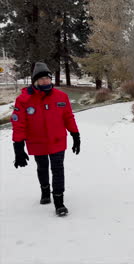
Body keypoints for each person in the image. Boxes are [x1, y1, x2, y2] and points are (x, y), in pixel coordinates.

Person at [11, 62, 80, 217]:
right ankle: (45, 191)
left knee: (58, 169)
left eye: (47, 78)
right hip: (37, 142)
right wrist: (18, 146)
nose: (45, 81)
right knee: (42, 167)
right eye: (41, 79)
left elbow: (68, 117)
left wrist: (76, 135)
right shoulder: (24, 99)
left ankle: (59, 201)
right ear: (35, 81)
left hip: (57, 140)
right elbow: (18, 123)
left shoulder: (61, 97)